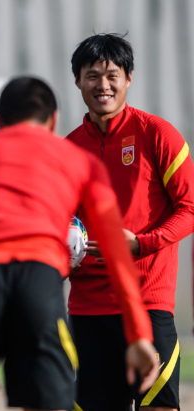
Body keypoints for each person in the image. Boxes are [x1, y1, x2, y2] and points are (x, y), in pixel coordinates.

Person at [0, 77, 160, 411]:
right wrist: (139, 334)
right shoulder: (82, 162)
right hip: (38, 280)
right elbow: (116, 254)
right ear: (53, 120)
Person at [66, 33, 194, 411]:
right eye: (92, 76)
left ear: (128, 78)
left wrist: (141, 243)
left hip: (148, 302)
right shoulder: (67, 149)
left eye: (112, 76)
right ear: (77, 81)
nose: (102, 85)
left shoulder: (157, 134)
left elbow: (189, 207)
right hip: (87, 308)